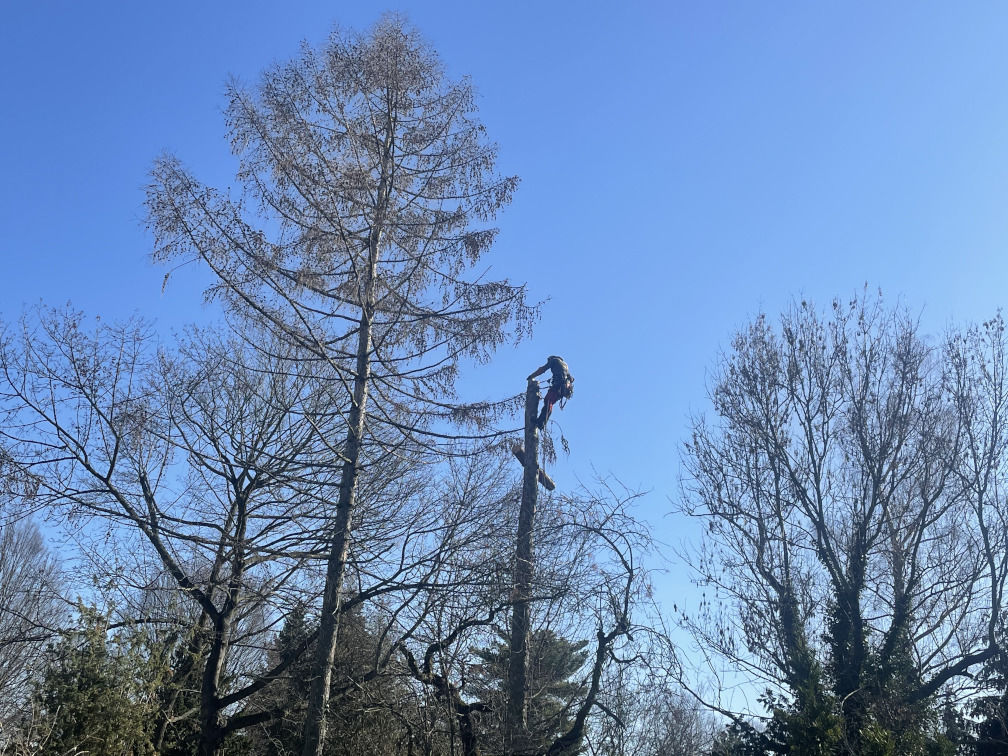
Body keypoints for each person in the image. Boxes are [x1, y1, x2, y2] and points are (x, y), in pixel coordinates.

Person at [527, 356, 574, 429]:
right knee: (549, 402)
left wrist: (531, 376)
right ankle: (541, 422)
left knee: (548, 402)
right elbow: (571, 379)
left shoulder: (554, 361)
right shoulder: (565, 365)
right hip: (562, 387)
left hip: (558, 385)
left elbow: (542, 370)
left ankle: (541, 422)